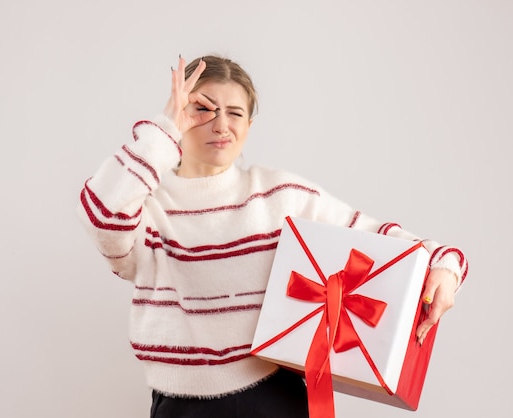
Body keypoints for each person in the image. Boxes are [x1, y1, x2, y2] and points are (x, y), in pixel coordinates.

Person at [77, 54, 468, 418]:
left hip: (272, 399)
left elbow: (380, 236)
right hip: (179, 407)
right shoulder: (146, 205)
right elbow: (102, 217)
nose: (221, 124)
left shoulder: (279, 195)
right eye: (202, 109)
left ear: (249, 124)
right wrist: (163, 131)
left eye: (235, 112)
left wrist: (446, 266)